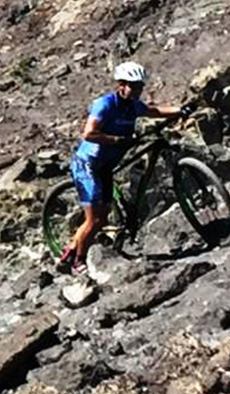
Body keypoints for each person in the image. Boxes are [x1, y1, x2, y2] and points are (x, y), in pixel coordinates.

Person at [58, 62, 191, 274]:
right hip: (88, 165)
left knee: (103, 217)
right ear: (121, 85)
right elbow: (88, 133)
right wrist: (117, 139)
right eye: (134, 86)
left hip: (106, 166)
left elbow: (153, 111)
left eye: (140, 87)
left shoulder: (132, 105)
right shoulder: (105, 104)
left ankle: (69, 250)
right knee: (94, 220)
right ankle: (78, 261)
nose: (138, 91)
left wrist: (179, 110)